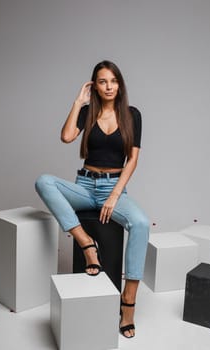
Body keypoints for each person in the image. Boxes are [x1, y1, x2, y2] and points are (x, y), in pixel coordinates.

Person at [35, 60, 149, 338]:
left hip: (114, 188)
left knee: (141, 223)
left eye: (113, 81)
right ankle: (86, 242)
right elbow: (66, 137)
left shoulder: (132, 114)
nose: (108, 86)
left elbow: (132, 160)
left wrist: (113, 195)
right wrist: (77, 102)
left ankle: (128, 304)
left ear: (119, 84)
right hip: (84, 185)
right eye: (102, 81)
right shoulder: (87, 112)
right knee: (43, 181)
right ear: (94, 85)